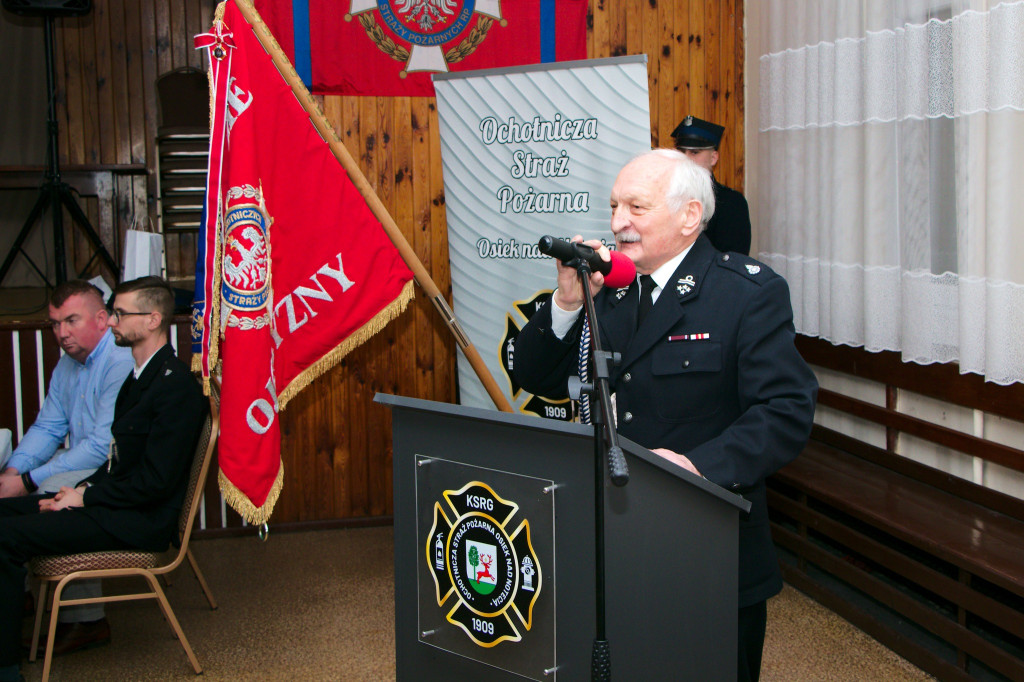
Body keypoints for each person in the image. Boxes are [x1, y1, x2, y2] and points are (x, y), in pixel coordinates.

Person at [513, 149, 817, 682]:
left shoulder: (745, 293)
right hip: (611, 539)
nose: (616, 223)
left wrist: (698, 469)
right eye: (613, 206)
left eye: (636, 206)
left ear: (689, 217)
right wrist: (565, 300)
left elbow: (786, 410)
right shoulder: (606, 288)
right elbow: (534, 378)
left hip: (706, 543)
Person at [0, 276, 207, 682]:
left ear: (152, 320)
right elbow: (117, 461)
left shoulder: (174, 386)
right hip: (115, 504)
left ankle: (6, 668)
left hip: (137, 520)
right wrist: (78, 490)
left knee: (5, 537)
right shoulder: (139, 378)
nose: (111, 322)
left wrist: (86, 498)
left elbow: (156, 483)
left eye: (119, 314)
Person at [0, 280, 133, 653]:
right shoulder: (69, 363)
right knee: (17, 491)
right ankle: (21, 592)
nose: (61, 333)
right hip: (89, 460)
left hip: (114, 469)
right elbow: (48, 427)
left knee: (53, 491)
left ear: (103, 319)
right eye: (55, 323)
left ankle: (87, 619)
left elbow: (99, 447)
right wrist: (13, 473)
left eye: (71, 321)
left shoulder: (119, 361)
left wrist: (27, 481)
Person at [672, 115, 752, 255]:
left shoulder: (731, 202)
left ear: (713, 158)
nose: (686, 158)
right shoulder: (666, 196)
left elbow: (732, 260)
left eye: (694, 152)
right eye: (681, 152)